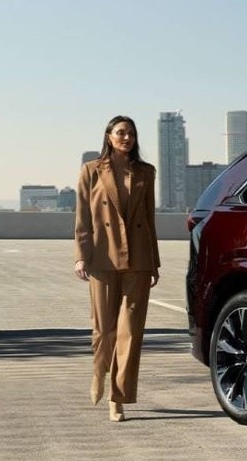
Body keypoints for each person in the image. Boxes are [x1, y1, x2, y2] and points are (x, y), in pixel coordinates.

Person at [73, 115, 160, 422]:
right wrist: (80, 256)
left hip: (138, 260)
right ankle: (100, 371)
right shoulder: (91, 171)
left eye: (131, 134)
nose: (127, 138)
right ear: (108, 136)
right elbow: (82, 217)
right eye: (121, 133)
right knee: (104, 330)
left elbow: (149, 219)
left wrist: (155, 262)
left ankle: (117, 397)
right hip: (102, 258)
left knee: (131, 332)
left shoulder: (146, 172)